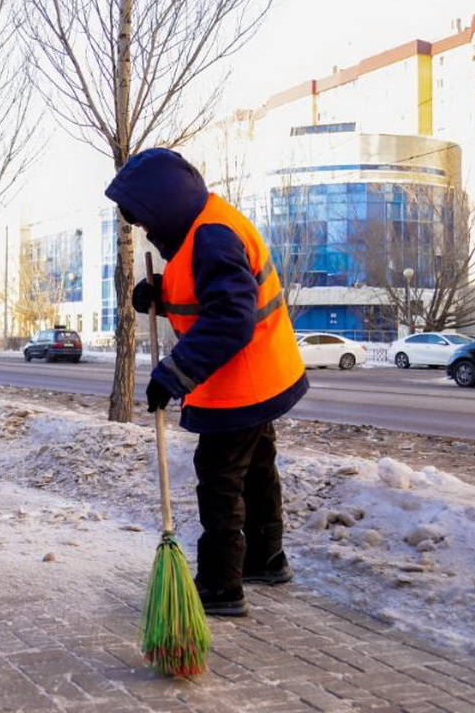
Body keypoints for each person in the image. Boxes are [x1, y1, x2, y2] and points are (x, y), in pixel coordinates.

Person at [104, 148, 309, 617]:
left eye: (146, 220)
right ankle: (266, 558)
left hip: (240, 382)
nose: (146, 232)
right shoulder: (206, 227)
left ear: (166, 206)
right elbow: (202, 293)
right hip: (260, 376)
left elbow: (232, 319)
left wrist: (174, 374)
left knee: (220, 481)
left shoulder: (213, 236)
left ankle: (221, 585)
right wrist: (157, 296)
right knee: (257, 472)